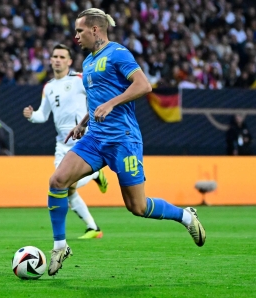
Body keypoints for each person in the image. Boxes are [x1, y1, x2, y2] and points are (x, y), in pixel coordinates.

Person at [46, 8, 206, 276]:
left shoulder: (118, 53)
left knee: (138, 207)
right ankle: (60, 246)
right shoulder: (87, 62)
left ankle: (186, 216)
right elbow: (98, 98)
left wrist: (112, 103)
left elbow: (144, 86)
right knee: (57, 180)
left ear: (95, 30)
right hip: (95, 138)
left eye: (79, 30)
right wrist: (83, 123)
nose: (76, 36)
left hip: (123, 140)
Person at [23, 44, 108, 240]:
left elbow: (97, 97)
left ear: (69, 61)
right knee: (65, 188)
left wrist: (89, 122)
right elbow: (42, 115)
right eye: (55, 56)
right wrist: (31, 115)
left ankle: (95, 174)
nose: (58, 59)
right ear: (51, 60)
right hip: (61, 145)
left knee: (67, 184)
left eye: (62, 56)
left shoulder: (79, 80)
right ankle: (93, 228)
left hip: (82, 141)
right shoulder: (49, 87)